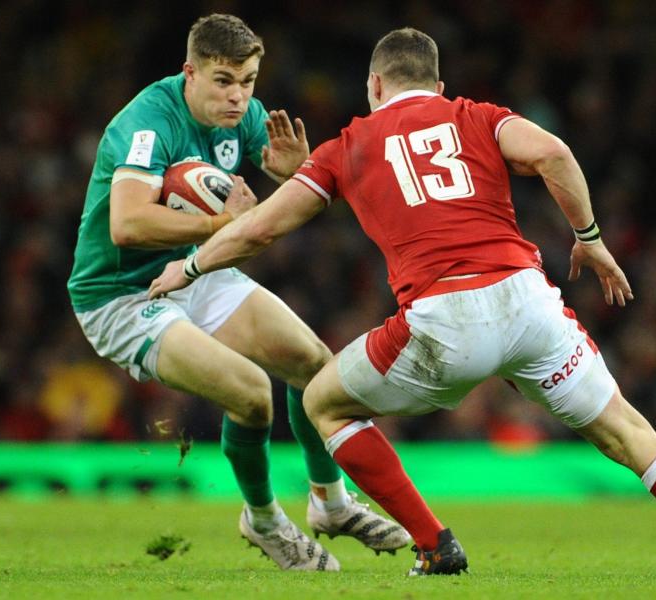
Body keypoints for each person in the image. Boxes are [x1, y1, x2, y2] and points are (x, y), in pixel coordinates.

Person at [147, 27, 656, 578]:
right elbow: (553, 152)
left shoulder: (348, 144)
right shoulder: (476, 115)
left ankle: (434, 545)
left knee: (321, 399)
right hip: (528, 304)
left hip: (443, 319)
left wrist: (192, 265)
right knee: (633, 435)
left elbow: (262, 228)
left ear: (375, 88)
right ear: (436, 86)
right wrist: (591, 240)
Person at [66, 14, 410, 572]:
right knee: (252, 395)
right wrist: (217, 226)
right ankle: (266, 520)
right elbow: (127, 225)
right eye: (224, 80)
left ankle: (331, 503)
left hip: (195, 274)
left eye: (248, 80)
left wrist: (297, 177)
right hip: (122, 296)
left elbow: (274, 205)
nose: (239, 96)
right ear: (190, 72)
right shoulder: (148, 124)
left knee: (314, 366)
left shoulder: (245, 116)